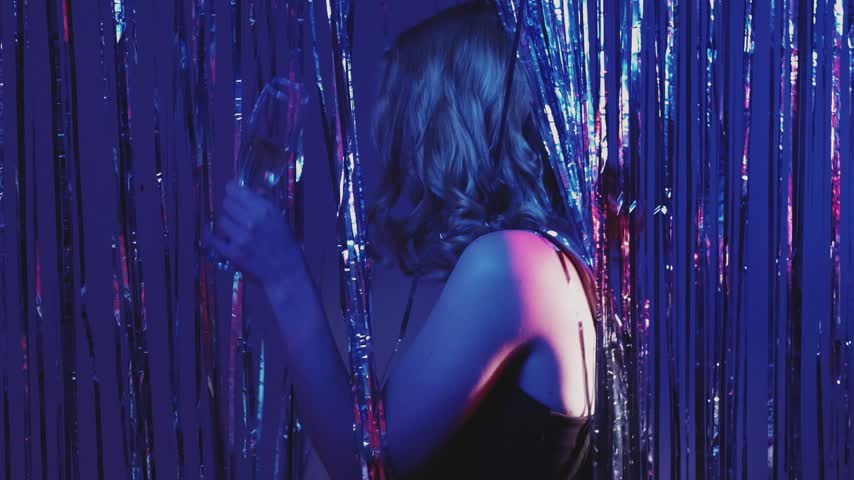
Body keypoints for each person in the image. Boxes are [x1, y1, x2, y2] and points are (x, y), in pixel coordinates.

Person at [205, 2, 597, 478]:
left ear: (450, 126)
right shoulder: (553, 263)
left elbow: (367, 462)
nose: (398, 149)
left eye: (408, 119)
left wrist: (284, 276)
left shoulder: (515, 264)